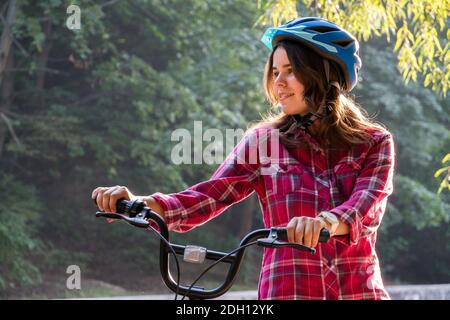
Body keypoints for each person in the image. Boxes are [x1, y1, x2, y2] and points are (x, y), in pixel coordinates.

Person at [92, 17, 395, 300]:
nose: (279, 82)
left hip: (358, 291)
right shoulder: (264, 142)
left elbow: (364, 208)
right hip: (287, 292)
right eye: (275, 72)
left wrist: (322, 223)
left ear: (324, 74)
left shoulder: (374, 143)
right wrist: (140, 203)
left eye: (291, 70)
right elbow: (208, 196)